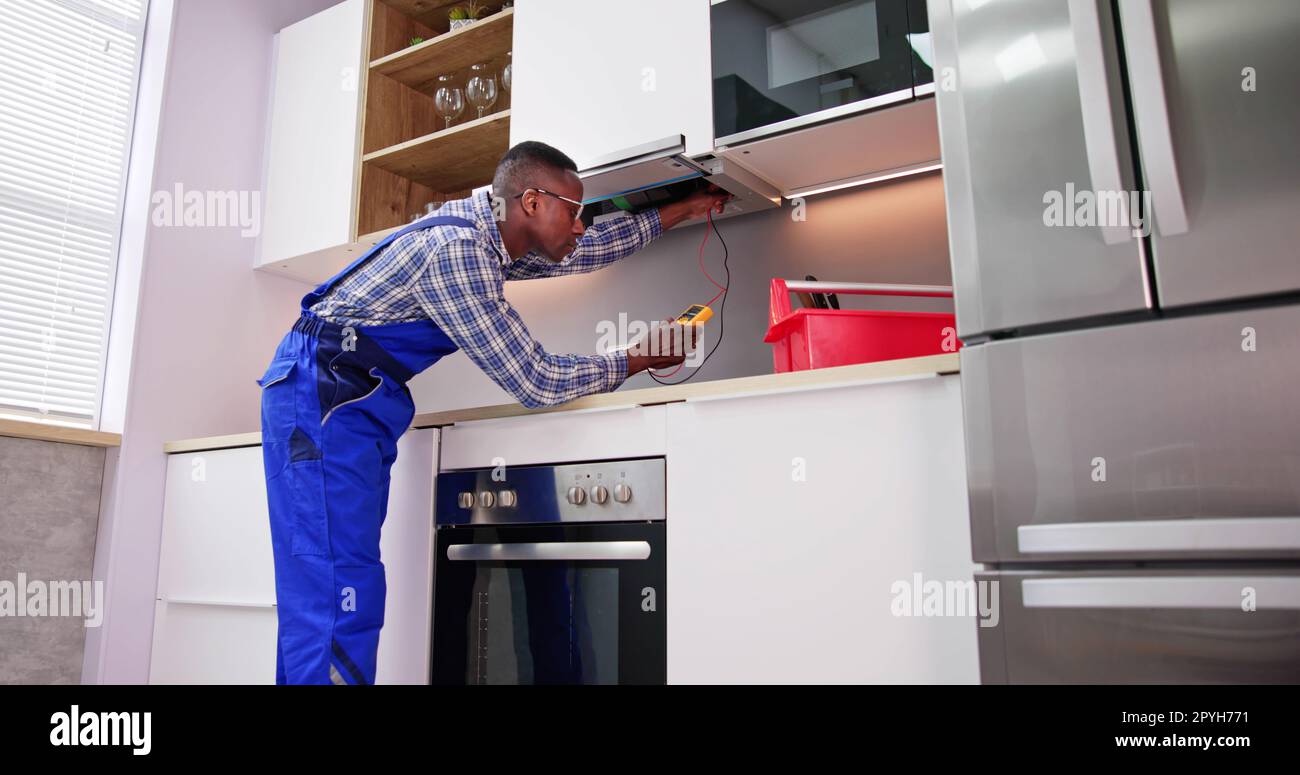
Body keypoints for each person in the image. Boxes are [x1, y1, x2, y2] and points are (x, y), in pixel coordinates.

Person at [256, 140, 730, 684]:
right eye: (573, 211)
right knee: (338, 594)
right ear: (532, 201)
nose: (581, 225)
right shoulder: (460, 252)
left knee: (333, 592)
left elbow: (586, 249)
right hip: (322, 399)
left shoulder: (487, 234)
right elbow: (536, 379)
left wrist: (684, 208)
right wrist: (638, 357)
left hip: (347, 401)